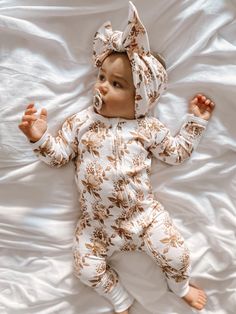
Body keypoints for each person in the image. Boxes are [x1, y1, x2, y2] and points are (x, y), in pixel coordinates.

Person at [18, 2, 215, 314]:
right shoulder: (81, 122)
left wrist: (195, 122)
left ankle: (181, 286)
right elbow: (58, 157)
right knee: (84, 267)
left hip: (144, 217)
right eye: (102, 77)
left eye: (116, 84)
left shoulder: (148, 127)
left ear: (142, 98)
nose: (102, 87)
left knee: (177, 254)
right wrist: (39, 136)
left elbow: (176, 154)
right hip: (97, 225)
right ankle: (120, 299)